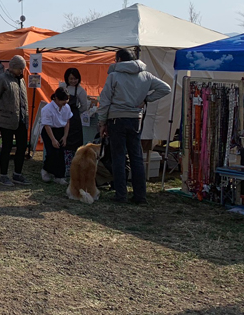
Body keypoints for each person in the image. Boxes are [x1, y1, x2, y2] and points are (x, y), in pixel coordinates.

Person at [97, 48, 171, 204]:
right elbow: (166, 88)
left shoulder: (114, 76)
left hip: (116, 119)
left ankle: (121, 194)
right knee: (136, 157)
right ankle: (140, 196)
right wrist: (147, 99)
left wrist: (102, 122)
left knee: (119, 157)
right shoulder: (146, 75)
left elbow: (104, 101)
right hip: (135, 120)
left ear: (118, 60)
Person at [0, 55, 29, 186]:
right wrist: (2, 112)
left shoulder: (21, 80)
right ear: (12, 67)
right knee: (6, 147)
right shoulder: (2, 79)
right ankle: (3, 175)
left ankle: (18, 174)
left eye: (22, 69)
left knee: (22, 146)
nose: (21, 71)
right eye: (19, 68)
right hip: (6, 119)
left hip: (21, 119)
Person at [40, 88, 72, 184]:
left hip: (61, 130)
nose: (65, 102)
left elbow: (67, 122)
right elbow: (47, 125)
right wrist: (53, 139)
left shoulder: (66, 107)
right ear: (56, 98)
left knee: (61, 153)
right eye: (63, 100)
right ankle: (46, 169)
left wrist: (65, 136)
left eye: (66, 100)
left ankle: (59, 176)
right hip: (49, 130)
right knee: (52, 152)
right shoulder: (47, 109)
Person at [61, 68, 89, 157]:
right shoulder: (62, 87)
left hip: (74, 118)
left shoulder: (81, 90)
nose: (73, 81)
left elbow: (84, 106)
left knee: (74, 141)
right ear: (67, 78)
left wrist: (76, 113)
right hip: (62, 116)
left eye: (75, 79)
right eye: (71, 78)